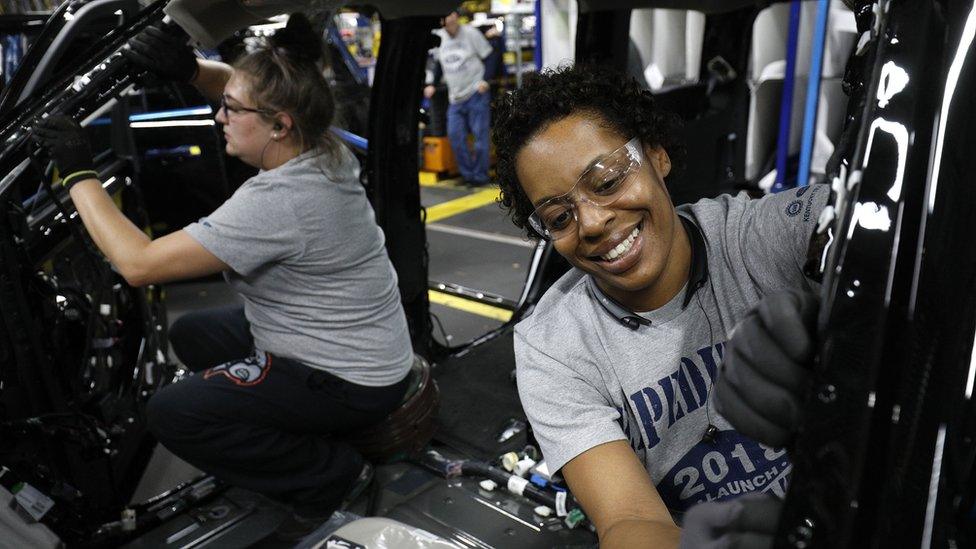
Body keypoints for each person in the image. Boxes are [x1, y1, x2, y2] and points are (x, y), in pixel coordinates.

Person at [31, 15, 414, 540]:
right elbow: (259, 94)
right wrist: (189, 70)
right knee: (193, 333)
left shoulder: (279, 203)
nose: (218, 116)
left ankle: (327, 475)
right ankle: (278, 431)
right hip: (364, 347)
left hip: (349, 380)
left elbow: (138, 263)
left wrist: (78, 173)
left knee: (172, 414)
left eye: (230, 110)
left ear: (278, 124)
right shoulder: (322, 147)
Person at [492, 64, 828, 547]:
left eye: (606, 181)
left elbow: (857, 229)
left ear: (656, 154)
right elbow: (629, 520)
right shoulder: (552, 347)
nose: (591, 222)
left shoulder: (756, 238)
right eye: (559, 216)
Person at [424, 8, 494, 186]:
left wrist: (485, 81)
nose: (447, 19)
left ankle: (480, 177)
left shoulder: (470, 33)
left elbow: (490, 56)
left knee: (480, 140)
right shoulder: (440, 37)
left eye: (450, 14)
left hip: (476, 94)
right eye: (444, 16)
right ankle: (469, 176)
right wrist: (432, 83)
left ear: (456, 16)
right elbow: (440, 63)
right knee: (455, 138)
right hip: (455, 98)